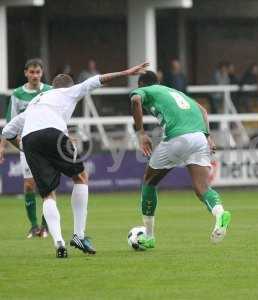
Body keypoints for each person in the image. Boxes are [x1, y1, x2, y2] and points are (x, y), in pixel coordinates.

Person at [2, 62, 149, 258]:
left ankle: (59, 243)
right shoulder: (69, 92)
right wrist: (126, 72)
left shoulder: (36, 101)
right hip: (53, 134)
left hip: (30, 140)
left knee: (47, 194)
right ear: (68, 87)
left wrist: (23, 147)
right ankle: (79, 235)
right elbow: (97, 80)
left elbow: (7, 131)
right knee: (80, 176)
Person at [129, 71, 231, 250]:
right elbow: (203, 110)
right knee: (202, 188)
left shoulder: (145, 90)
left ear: (142, 84)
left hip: (178, 138)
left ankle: (149, 236)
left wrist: (141, 133)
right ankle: (220, 214)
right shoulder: (175, 92)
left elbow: (135, 101)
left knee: (149, 182)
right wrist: (208, 136)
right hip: (199, 137)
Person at [0, 58, 52, 239]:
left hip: (47, 145)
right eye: (32, 72)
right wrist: (2, 146)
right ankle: (33, 226)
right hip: (27, 146)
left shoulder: (49, 91)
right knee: (29, 185)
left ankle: (47, 226)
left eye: (38, 72)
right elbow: (9, 124)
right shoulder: (17, 95)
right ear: (26, 73)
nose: (35, 75)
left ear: (42, 73)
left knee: (48, 185)